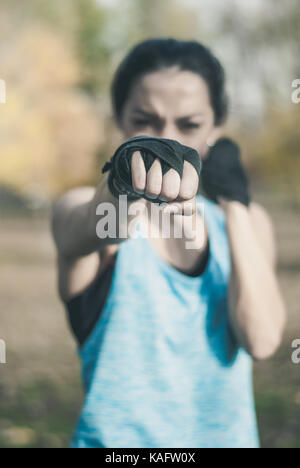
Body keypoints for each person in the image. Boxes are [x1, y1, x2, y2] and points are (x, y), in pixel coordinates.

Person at [51, 38, 286, 448]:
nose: (168, 139)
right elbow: (96, 224)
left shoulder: (250, 224)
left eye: (189, 125)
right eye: (146, 121)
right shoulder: (81, 209)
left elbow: (262, 339)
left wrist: (236, 205)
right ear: (120, 121)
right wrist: (123, 182)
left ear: (217, 127)